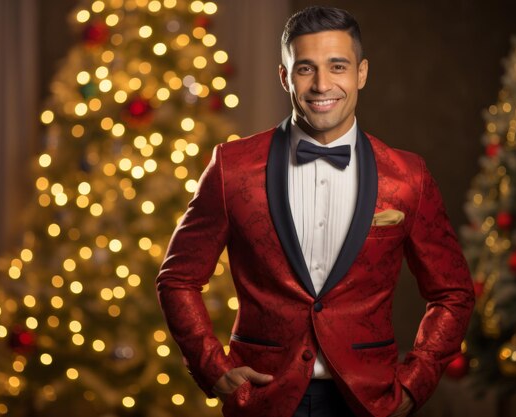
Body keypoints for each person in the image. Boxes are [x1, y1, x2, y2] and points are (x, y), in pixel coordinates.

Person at [156, 6, 474, 417]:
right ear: (285, 77)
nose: (322, 84)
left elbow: (453, 292)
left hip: (368, 401)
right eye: (305, 69)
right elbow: (178, 279)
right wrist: (212, 367)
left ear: (361, 73)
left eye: (337, 66)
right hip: (264, 399)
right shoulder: (231, 167)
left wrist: (415, 383)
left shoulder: (408, 176)